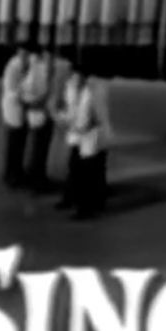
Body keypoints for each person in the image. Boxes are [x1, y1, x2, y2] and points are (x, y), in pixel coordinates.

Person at [54, 64, 114, 219]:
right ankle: (72, 199)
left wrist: (78, 125)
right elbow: (69, 109)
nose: (74, 80)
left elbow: (97, 118)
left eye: (77, 77)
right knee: (75, 168)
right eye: (72, 77)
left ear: (84, 78)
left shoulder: (94, 92)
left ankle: (87, 208)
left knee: (89, 173)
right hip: (79, 134)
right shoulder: (71, 88)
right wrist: (63, 119)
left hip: (94, 137)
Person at [0, 41, 34, 188]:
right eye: (22, 53)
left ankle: (18, 171)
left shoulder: (29, 65)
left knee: (21, 142)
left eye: (26, 54)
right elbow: (11, 89)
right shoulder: (13, 66)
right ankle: (10, 174)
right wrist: (25, 96)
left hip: (23, 108)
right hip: (13, 107)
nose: (24, 56)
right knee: (13, 143)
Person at [21, 47, 53, 191]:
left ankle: (34, 176)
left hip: (34, 111)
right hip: (40, 112)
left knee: (35, 145)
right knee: (39, 147)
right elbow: (42, 92)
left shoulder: (31, 72)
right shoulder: (39, 71)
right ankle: (37, 180)